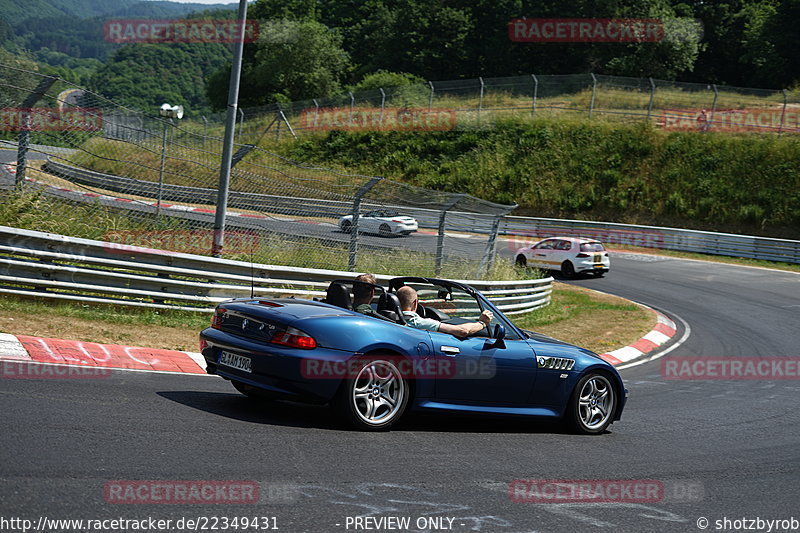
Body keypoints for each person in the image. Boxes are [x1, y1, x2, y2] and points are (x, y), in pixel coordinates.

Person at [396, 286, 493, 337]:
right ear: (415, 303)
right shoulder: (419, 322)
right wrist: (482, 323)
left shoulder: (387, 318)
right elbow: (462, 331)